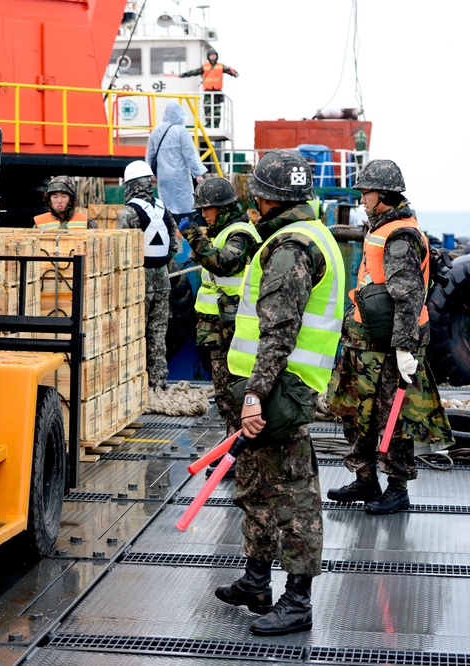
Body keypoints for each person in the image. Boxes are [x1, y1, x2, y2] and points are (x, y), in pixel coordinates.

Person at [219, 149, 345, 636]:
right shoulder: (312, 235)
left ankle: (297, 601)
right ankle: (256, 580)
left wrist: (254, 397)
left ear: (265, 196)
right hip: (272, 386)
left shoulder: (292, 246)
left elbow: (278, 332)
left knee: (292, 497)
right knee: (256, 484)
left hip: (279, 391)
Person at [327, 160, 453, 514]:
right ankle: (366, 480)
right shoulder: (380, 227)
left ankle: (397, 488)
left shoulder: (399, 236)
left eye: (366, 193)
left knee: (393, 417)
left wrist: (403, 348)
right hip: (364, 341)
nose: (361, 199)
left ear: (382, 195)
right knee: (357, 412)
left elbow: (408, 296)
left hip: (388, 345)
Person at [183, 176, 260, 459]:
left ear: (223, 207)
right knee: (224, 394)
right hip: (220, 327)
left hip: (234, 327)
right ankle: (232, 449)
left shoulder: (239, 233)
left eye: (208, 208)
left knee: (233, 392)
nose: (204, 214)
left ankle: (240, 454)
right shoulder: (223, 231)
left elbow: (224, 262)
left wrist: (194, 237)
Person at [117, 160, 179, 390]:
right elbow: (173, 245)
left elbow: (122, 250)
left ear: (130, 185)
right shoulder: (164, 209)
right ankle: (158, 382)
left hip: (138, 284)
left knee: (135, 335)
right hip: (162, 281)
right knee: (158, 335)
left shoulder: (129, 212)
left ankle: (135, 385)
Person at [145, 101, 207, 230]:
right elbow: (189, 154)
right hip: (180, 177)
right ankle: (188, 235)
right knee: (186, 206)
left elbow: (150, 154)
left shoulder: (156, 131)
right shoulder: (181, 131)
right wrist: (198, 174)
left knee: (167, 206)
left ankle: (170, 233)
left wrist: (149, 174)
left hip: (163, 176)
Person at [180, 48, 238, 128]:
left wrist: (235, 73)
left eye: (214, 55)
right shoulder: (205, 66)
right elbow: (195, 72)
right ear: (208, 57)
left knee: (216, 109)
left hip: (217, 91)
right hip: (208, 91)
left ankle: (216, 124)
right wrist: (185, 74)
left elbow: (230, 71)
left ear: (216, 56)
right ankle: (209, 124)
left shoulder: (221, 66)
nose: (213, 57)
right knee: (207, 108)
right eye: (211, 55)